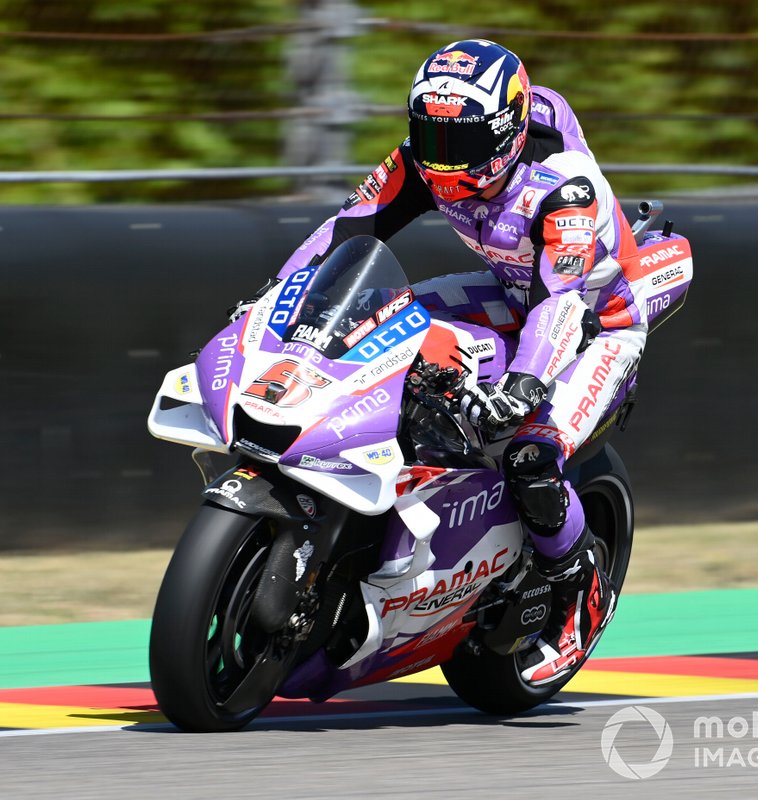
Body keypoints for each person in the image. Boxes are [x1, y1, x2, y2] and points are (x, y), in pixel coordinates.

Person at [233, 39, 653, 688]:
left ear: (508, 133)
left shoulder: (563, 189)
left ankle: (579, 587)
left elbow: (561, 303)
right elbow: (348, 230)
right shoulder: (419, 160)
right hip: (510, 293)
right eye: (429, 134)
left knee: (530, 454)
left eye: (460, 142)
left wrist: (524, 385)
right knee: (373, 321)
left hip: (596, 323)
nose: (440, 158)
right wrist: (276, 298)